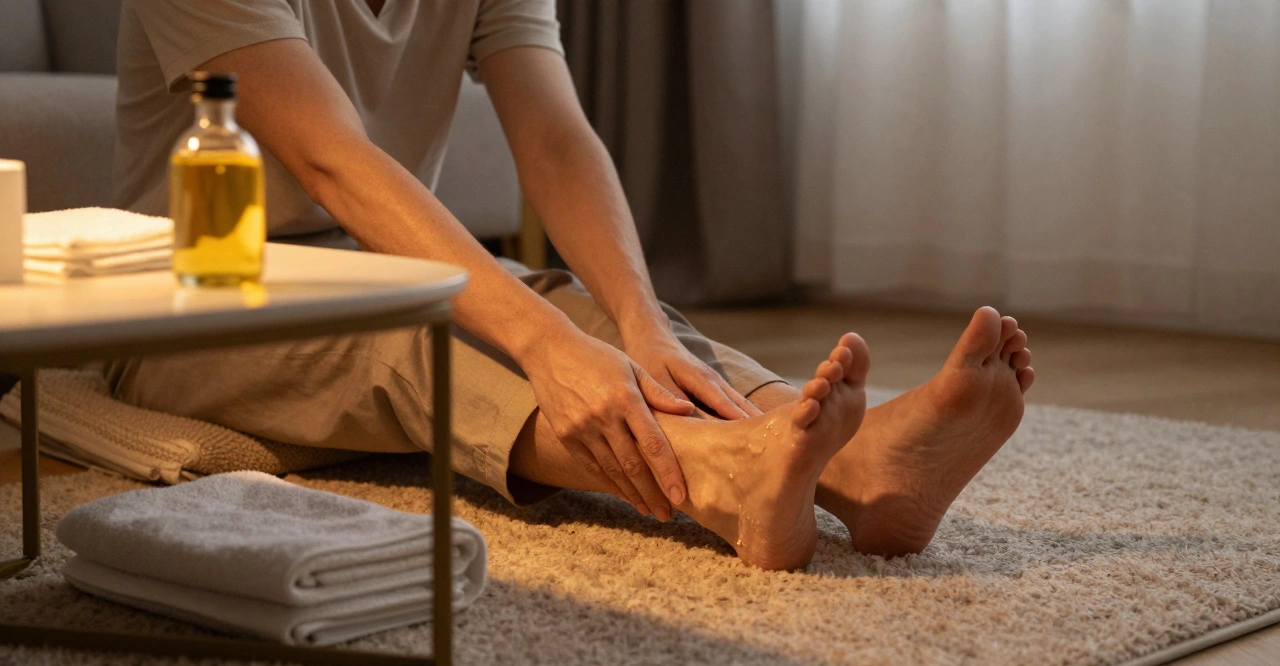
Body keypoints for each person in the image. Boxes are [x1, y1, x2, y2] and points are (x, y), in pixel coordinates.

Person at [107, 0, 1035, 571]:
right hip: (189, 304)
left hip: (390, 259)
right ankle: (724, 477)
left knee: (569, 300)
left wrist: (635, 325)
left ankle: (851, 461)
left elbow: (553, 137)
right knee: (427, 339)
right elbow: (331, 159)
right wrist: (548, 351)